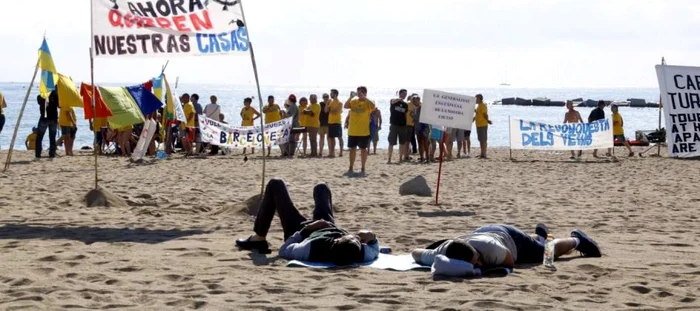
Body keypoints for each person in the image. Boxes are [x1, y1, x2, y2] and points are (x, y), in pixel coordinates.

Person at [236, 178, 379, 265]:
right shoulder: (361, 253)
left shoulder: (310, 248)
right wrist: (368, 236)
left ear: (336, 241)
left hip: (301, 232)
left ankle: (259, 238)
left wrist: (308, 229)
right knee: (322, 188)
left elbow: (284, 250)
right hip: (327, 226)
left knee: (276, 184)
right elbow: (374, 244)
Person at [411, 223, 601, 275]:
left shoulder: (491, 250)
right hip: (485, 231)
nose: (479, 262)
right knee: (535, 243)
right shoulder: (443, 251)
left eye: (477, 258)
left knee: (545, 255)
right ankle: (540, 236)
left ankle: (577, 240)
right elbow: (415, 253)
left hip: (510, 238)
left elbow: (510, 261)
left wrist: (481, 268)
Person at [344, 86, 376, 174]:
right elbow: (346, 106)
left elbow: (373, 106)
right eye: (358, 92)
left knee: (363, 150)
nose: (359, 94)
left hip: (364, 131)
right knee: (352, 150)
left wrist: (364, 97)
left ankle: (363, 167)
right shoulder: (354, 101)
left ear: (365, 93)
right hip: (353, 131)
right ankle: (351, 167)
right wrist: (351, 97)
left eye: (361, 92)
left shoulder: (368, 102)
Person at [35, 90, 59, 160]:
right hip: (53, 118)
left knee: (39, 137)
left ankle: (38, 156)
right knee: (52, 137)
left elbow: (40, 102)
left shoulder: (40, 96)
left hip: (44, 118)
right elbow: (59, 105)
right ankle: (52, 155)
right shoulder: (56, 96)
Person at [387, 89, 409, 163]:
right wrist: (400, 99)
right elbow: (393, 101)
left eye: (405, 94)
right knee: (391, 142)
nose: (404, 95)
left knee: (402, 142)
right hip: (394, 125)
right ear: (399, 94)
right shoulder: (393, 101)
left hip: (402, 126)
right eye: (403, 94)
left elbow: (405, 115)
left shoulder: (405, 105)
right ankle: (389, 159)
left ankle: (400, 158)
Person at [326, 89, 344, 157]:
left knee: (339, 137)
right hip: (330, 122)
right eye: (331, 93)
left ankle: (341, 152)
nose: (330, 94)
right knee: (331, 138)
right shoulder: (330, 102)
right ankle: (332, 152)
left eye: (332, 93)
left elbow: (335, 111)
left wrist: (330, 109)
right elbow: (326, 110)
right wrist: (327, 104)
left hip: (337, 122)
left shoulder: (339, 103)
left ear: (335, 94)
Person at [474, 94, 492, 159]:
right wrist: (473, 119)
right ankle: (482, 153)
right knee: (481, 140)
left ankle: (484, 154)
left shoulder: (483, 105)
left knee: (483, 140)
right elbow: (478, 114)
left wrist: (488, 121)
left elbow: (485, 114)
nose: (475, 100)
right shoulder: (478, 106)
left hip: (482, 124)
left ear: (479, 99)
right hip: (478, 125)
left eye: (476, 98)